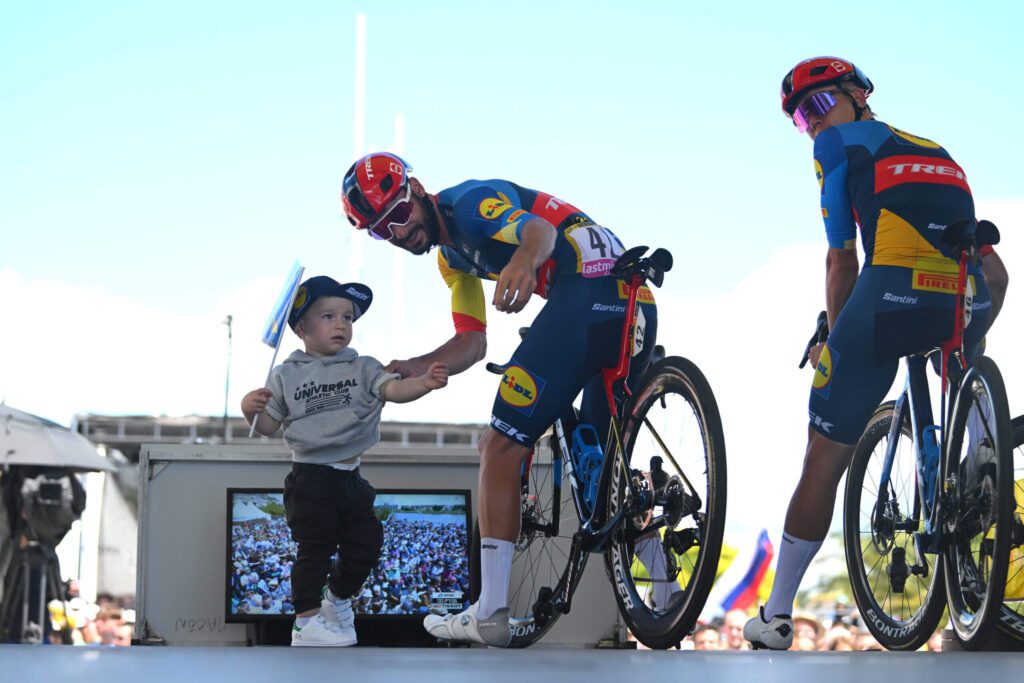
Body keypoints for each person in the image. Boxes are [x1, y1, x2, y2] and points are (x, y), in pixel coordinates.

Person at [744, 57, 1009, 651]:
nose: (811, 126)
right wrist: (970, 341)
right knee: (961, 351)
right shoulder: (939, 148)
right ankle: (979, 451)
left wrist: (836, 338)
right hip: (962, 295)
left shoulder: (838, 144)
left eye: (816, 107)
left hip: (885, 299)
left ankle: (779, 615)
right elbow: (994, 268)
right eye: (799, 120)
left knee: (823, 455)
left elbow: (842, 259)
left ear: (859, 96)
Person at [341, 153, 659, 646]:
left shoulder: (469, 206)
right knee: (603, 469)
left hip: (585, 296)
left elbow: (540, 233)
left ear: (418, 188)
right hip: (633, 302)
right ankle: (672, 592)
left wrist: (522, 259)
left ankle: (489, 612)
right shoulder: (452, 261)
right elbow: (472, 343)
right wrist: (415, 365)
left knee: (498, 446)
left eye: (399, 215)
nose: (398, 234)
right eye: (383, 232)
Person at [242, 275, 449, 647]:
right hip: (310, 478)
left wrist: (424, 384)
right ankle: (305, 624)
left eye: (348, 317)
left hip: (351, 476)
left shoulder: (363, 366)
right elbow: (268, 425)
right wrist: (248, 408)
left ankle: (336, 602)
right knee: (314, 550)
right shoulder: (285, 374)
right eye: (328, 316)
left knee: (368, 543)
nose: (340, 324)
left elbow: (394, 389)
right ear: (301, 327)